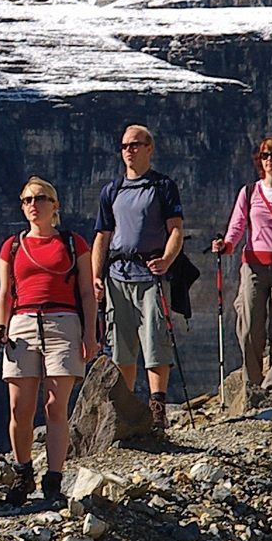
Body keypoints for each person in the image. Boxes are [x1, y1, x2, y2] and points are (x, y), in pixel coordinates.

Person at [0, 176, 97, 505]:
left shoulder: (73, 243)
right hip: (21, 325)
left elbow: (86, 292)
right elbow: (5, 292)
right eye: (26, 200)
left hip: (63, 324)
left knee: (54, 406)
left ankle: (53, 479)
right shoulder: (12, 247)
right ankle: (23, 474)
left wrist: (90, 333)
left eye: (40, 198)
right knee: (19, 408)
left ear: (55, 205)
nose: (33, 205)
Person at [92, 125, 185, 432]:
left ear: (149, 148)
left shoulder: (163, 186)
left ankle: (157, 408)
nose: (128, 150)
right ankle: (126, 409)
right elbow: (102, 237)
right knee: (121, 347)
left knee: (156, 340)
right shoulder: (111, 190)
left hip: (151, 277)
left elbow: (175, 230)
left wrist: (167, 260)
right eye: (124, 146)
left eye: (135, 145)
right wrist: (96, 275)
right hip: (117, 276)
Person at [211, 136, 272, 390]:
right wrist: (227, 245)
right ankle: (252, 383)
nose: (269, 160)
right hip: (254, 265)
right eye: (264, 155)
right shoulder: (249, 192)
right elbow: (237, 225)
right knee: (249, 325)